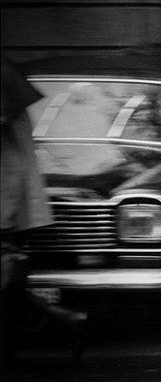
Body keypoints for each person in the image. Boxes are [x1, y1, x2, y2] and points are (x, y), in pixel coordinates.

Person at [1, 59, 86, 362]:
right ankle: (65, 322)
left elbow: (12, 171)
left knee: (9, 287)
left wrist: (7, 218)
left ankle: (63, 323)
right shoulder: (11, 99)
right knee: (10, 290)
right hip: (10, 205)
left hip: (6, 209)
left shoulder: (7, 102)